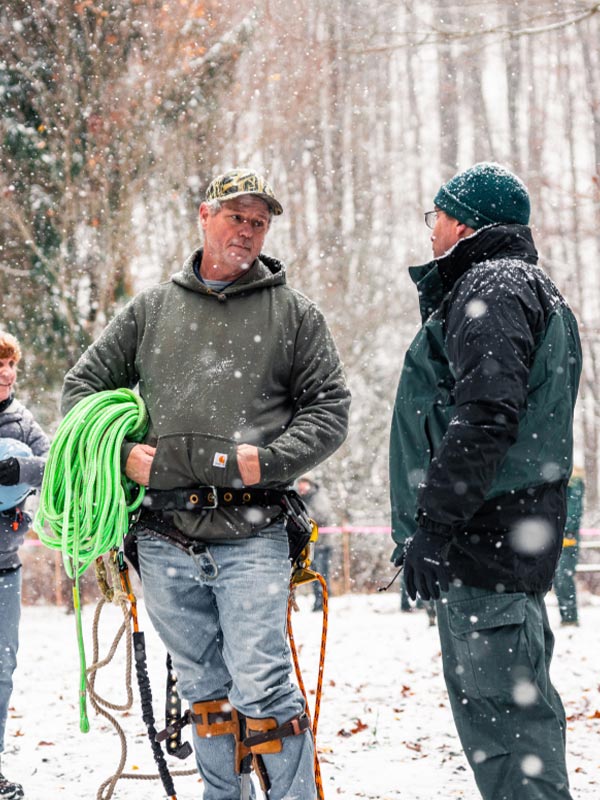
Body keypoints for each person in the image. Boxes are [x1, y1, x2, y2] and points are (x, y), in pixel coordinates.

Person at [61, 168, 351, 800]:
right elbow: (81, 391)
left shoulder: (294, 314)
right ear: (204, 215)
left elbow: (330, 408)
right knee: (204, 688)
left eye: (258, 221)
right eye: (235, 216)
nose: (246, 230)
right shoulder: (150, 310)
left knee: (263, 682)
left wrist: (268, 462)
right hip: (164, 534)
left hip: (253, 531)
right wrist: (118, 453)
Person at [389, 162, 581, 800]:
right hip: (500, 546)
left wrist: (436, 526)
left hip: (484, 547)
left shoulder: (493, 288)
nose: (431, 229)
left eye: (436, 216)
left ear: (467, 222)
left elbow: (486, 415)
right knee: (511, 726)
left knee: (509, 740)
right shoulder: (520, 286)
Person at [0, 332, 49, 800]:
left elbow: (57, 465)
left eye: (11, 365)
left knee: (0, 671)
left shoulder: (22, 422)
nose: (7, 373)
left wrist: (23, 472)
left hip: (4, 569)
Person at [296, 474, 332, 612]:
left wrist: (304, 516)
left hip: (322, 543)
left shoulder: (318, 497)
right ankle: (318, 602)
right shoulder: (302, 498)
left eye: (304, 483)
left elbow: (322, 514)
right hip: (311, 544)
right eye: (300, 483)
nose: (301, 486)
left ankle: (322, 602)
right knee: (314, 573)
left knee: (321, 574)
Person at [554, 467, 585, 626]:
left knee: (563, 576)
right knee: (558, 577)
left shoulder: (574, 482)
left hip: (567, 536)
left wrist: (567, 530)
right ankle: (566, 615)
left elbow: (574, 509)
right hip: (558, 533)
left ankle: (570, 616)